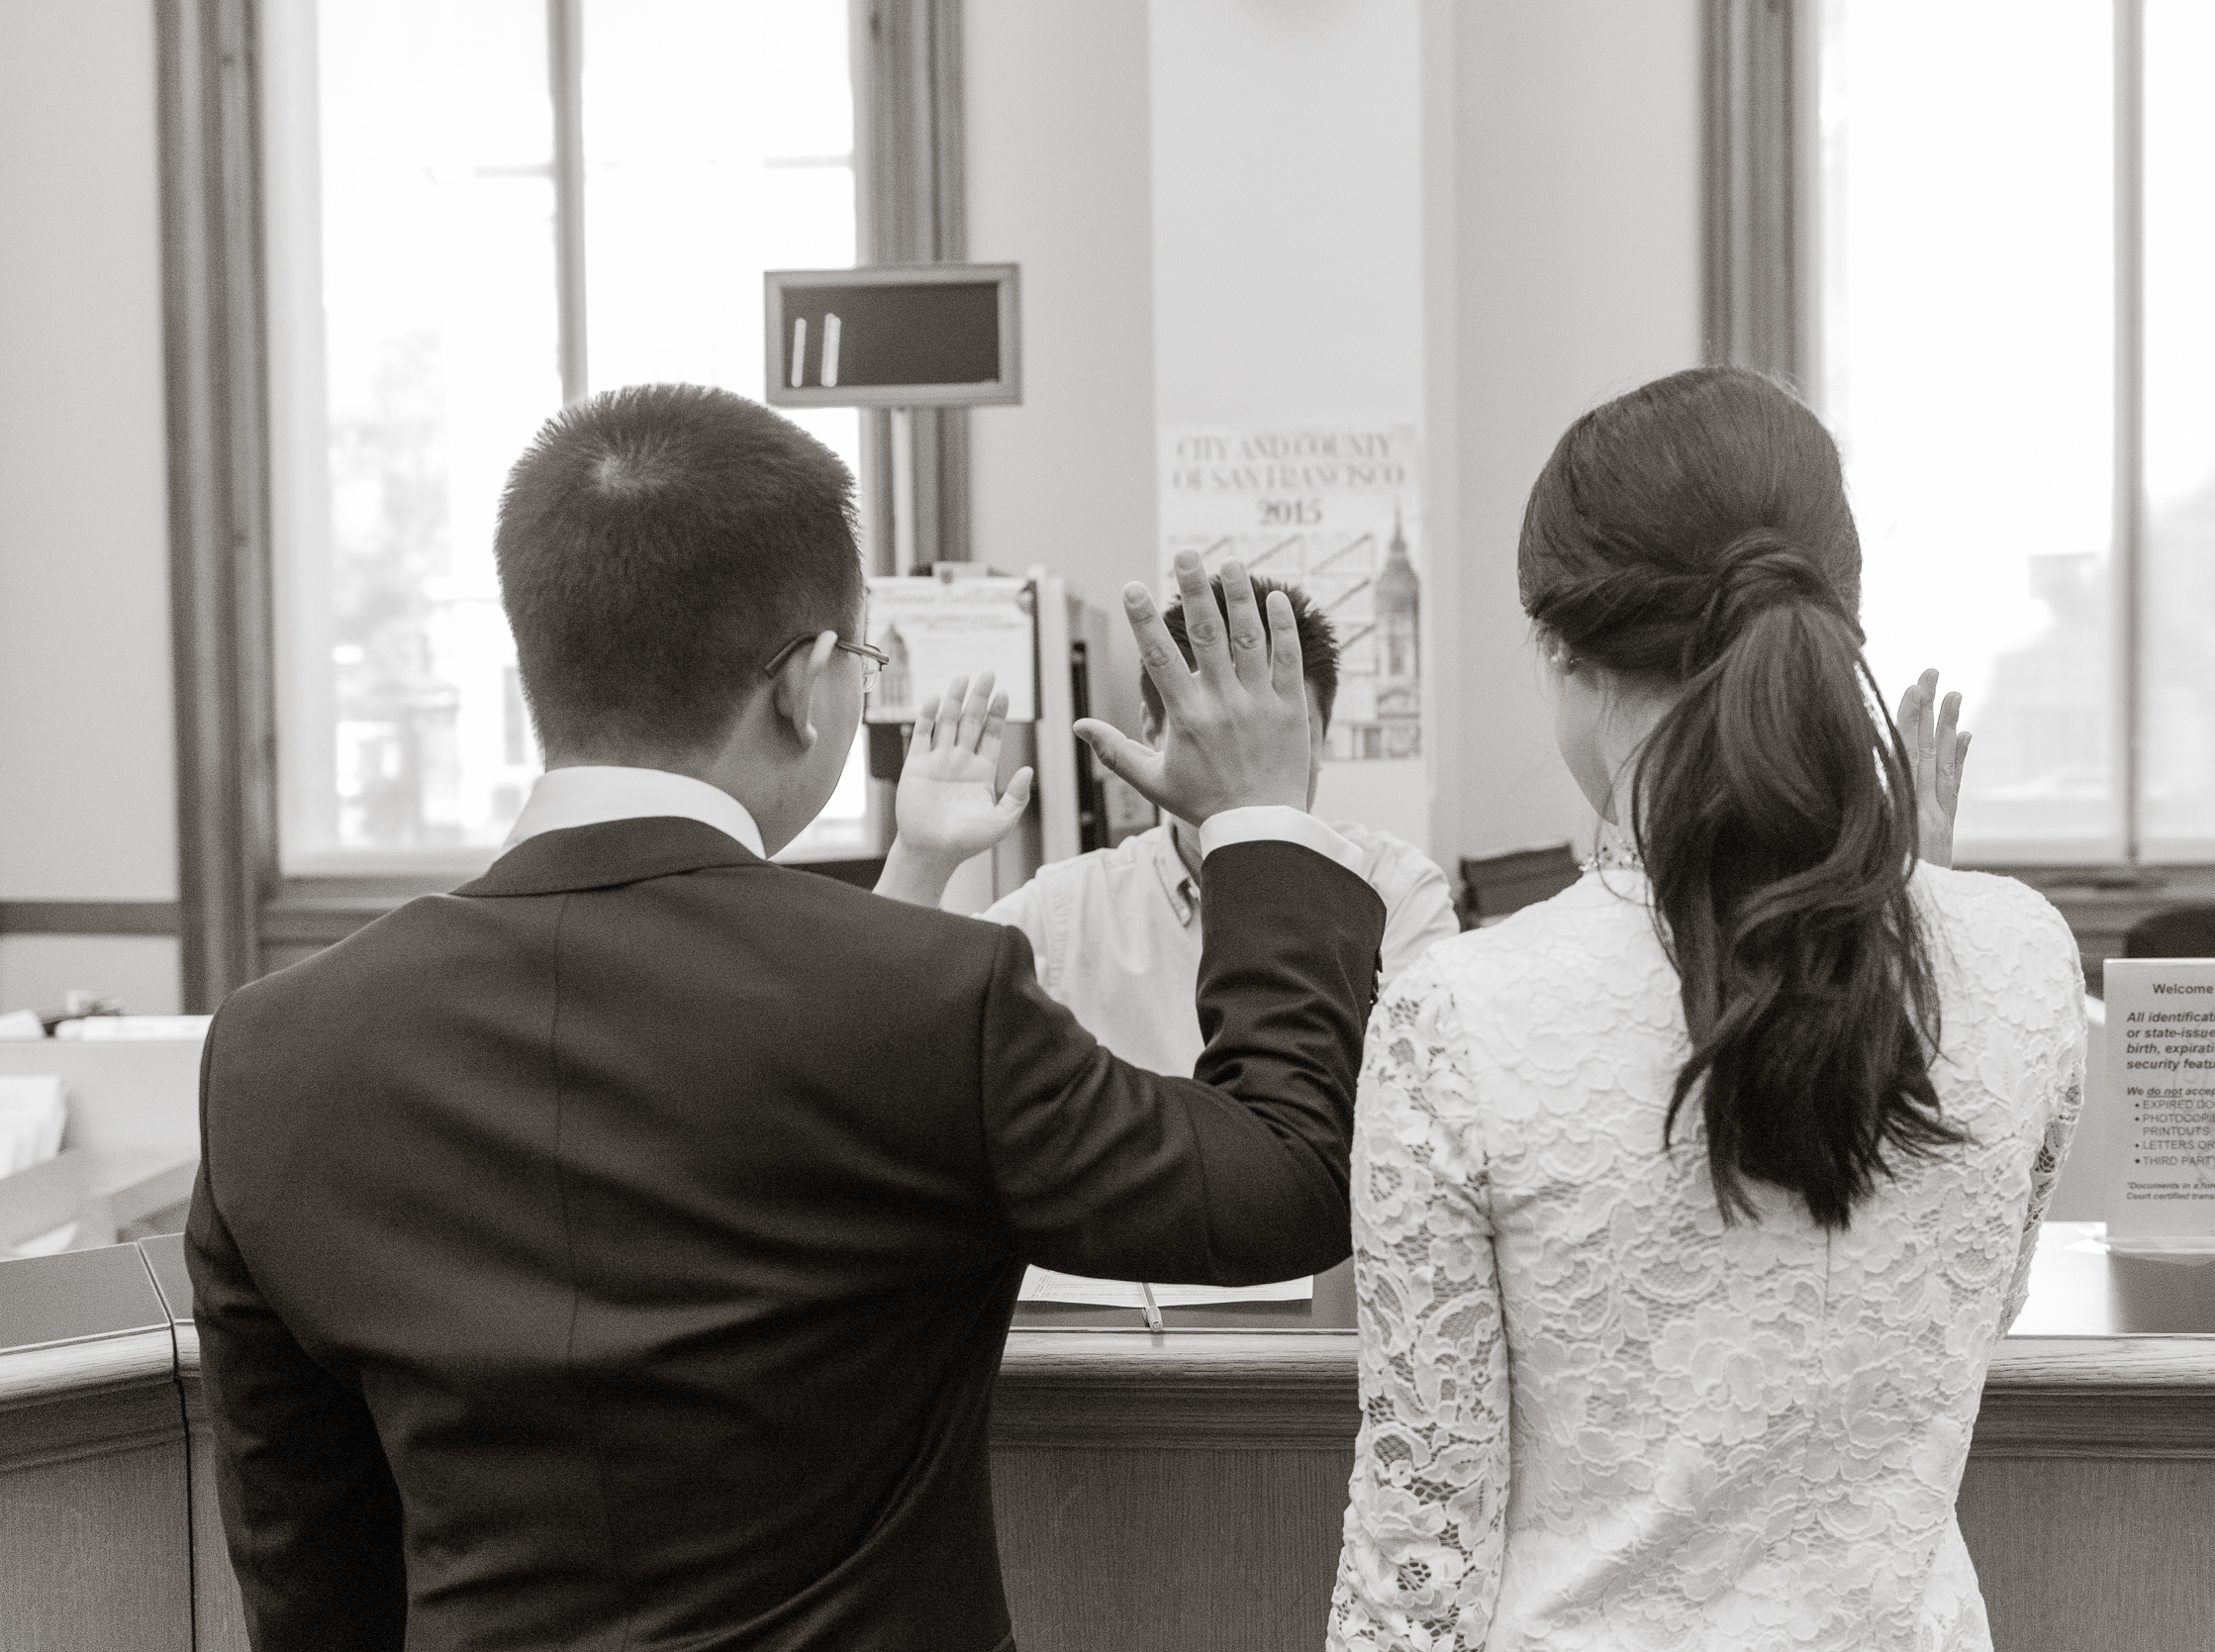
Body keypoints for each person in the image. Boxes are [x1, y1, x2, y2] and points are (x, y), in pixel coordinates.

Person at [185, 383, 1388, 1652]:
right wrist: (1261, 819)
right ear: (808, 686)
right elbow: (1285, 1180)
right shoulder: (927, 999)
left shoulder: (275, 1051)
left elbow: (309, 1573)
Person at [1326, 367, 2084, 1650]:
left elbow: (1421, 1557)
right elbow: (1968, 1313)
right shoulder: (2025, 957)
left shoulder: (1458, 1016)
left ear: (1562, 649)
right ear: (1838, 609)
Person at [877, 578, 1459, 1077]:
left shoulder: (1395, 891)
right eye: (1208, 735)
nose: (1241, 766)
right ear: (1151, 735)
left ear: (1322, 742)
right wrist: (921, 860)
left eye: (1277, 739)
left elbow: (1417, 1108)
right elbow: (897, 1031)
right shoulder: (1069, 914)